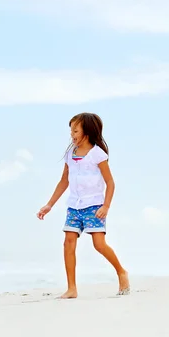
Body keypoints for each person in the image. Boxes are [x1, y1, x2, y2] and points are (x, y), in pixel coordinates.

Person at [36, 112, 130, 299]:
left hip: (94, 206)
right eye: (71, 131)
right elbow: (64, 181)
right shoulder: (71, 155)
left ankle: (121, 272)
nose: (72, 134)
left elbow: (110, 182)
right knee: (68, 243)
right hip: (74, 206)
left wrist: (106, 206)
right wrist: (49, 205)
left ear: (87, 131)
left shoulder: (97, 154)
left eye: (75, 130)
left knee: (99, 245)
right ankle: (72, 289)